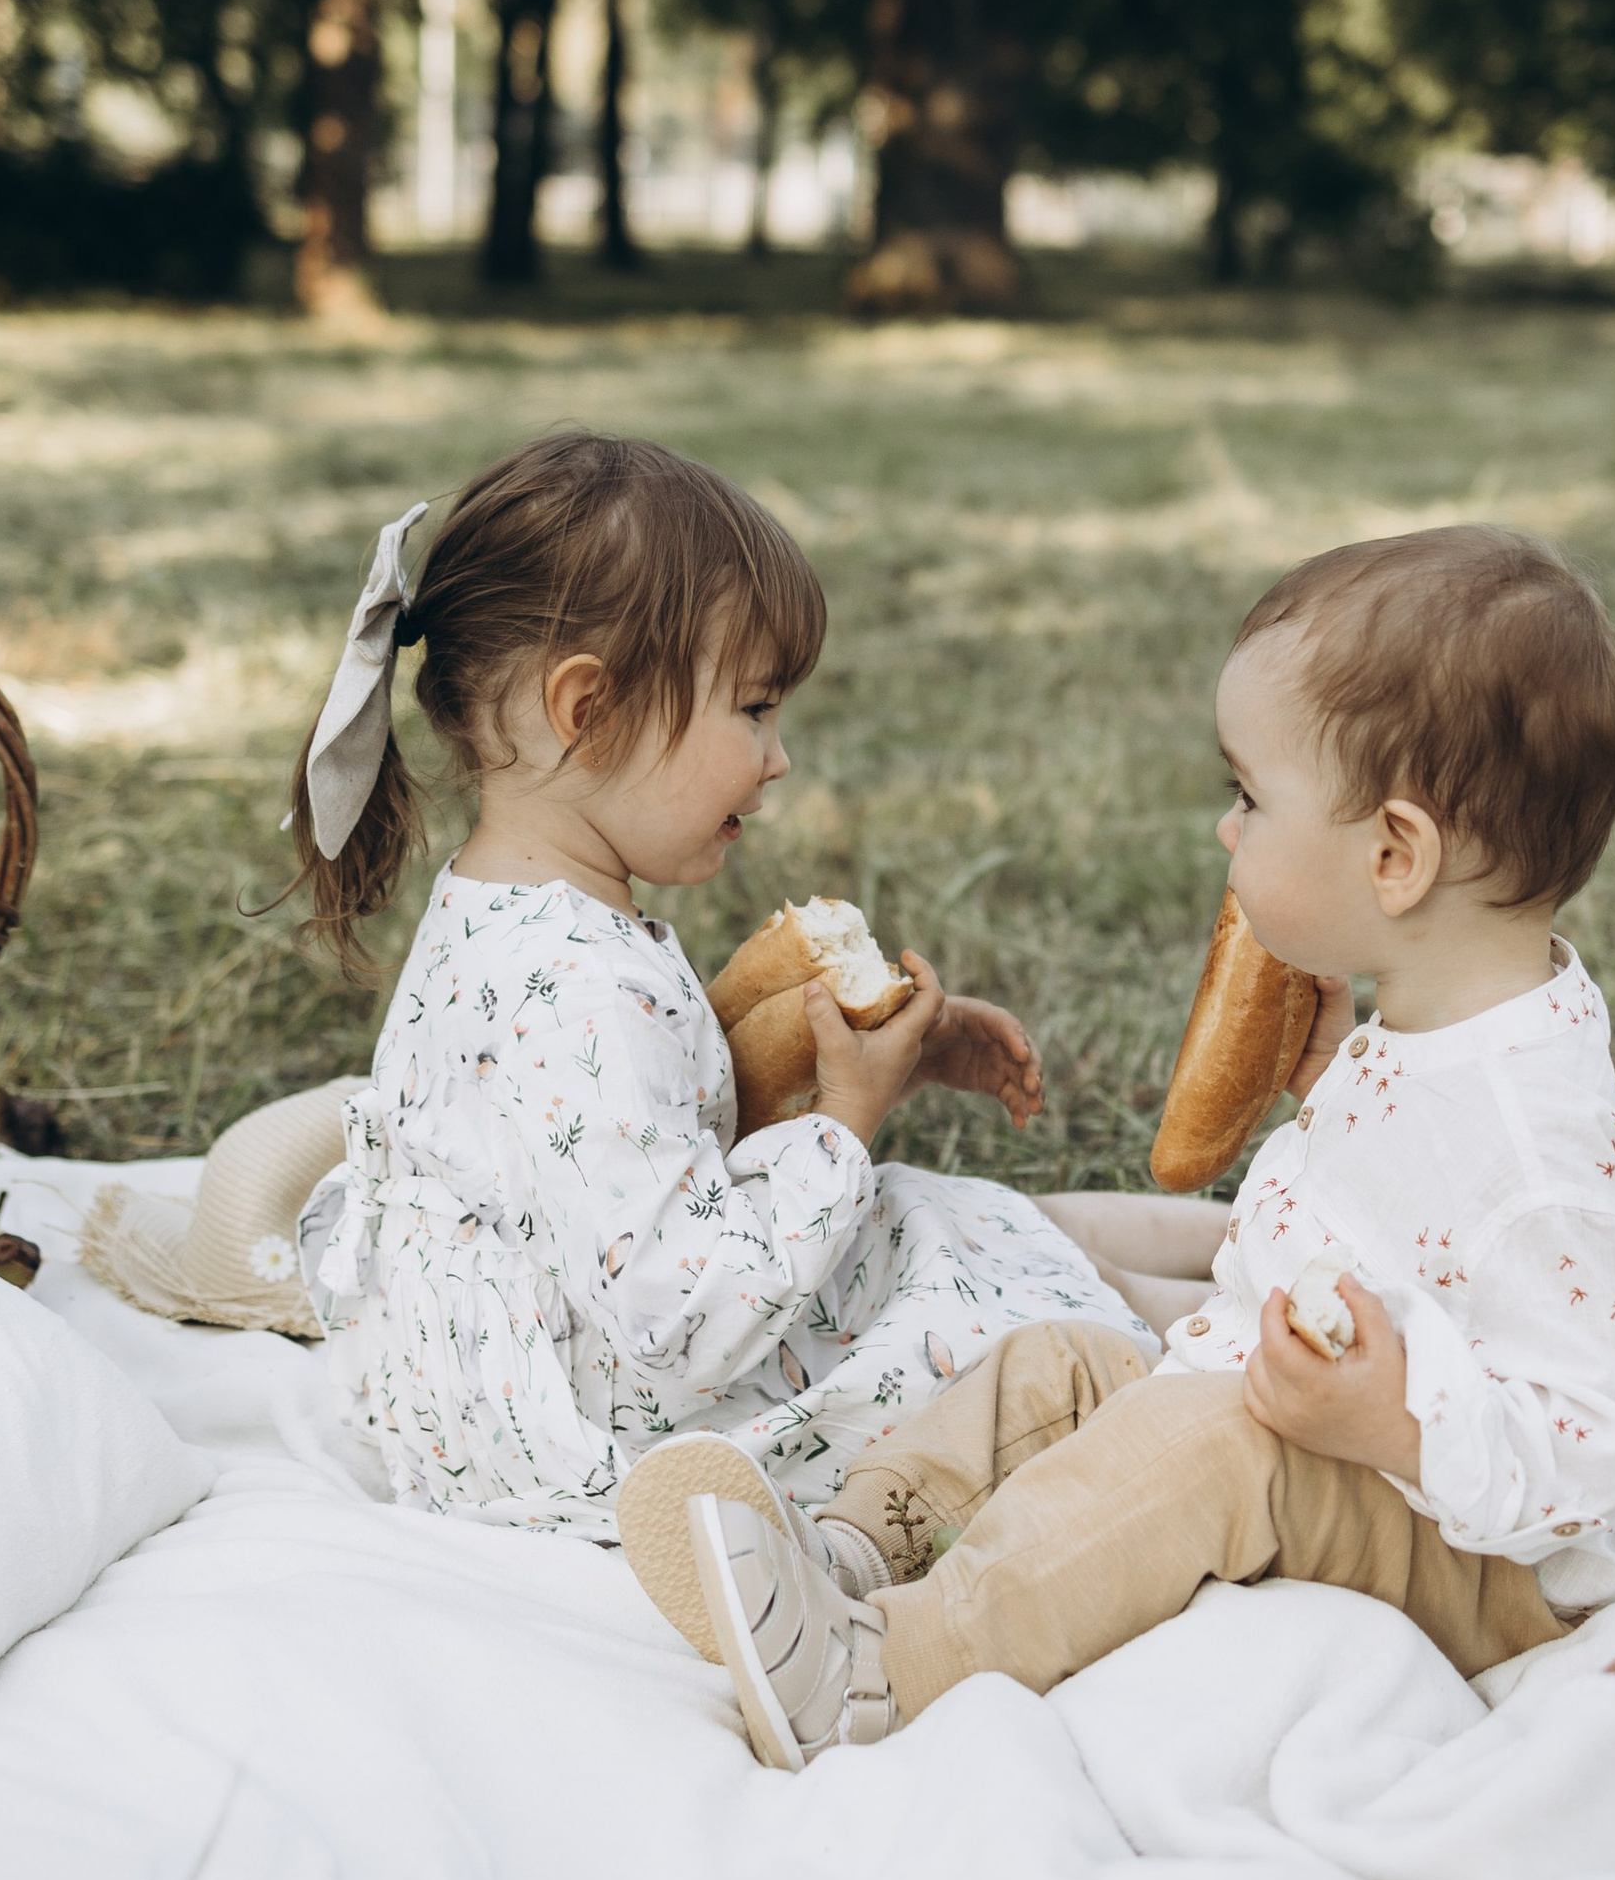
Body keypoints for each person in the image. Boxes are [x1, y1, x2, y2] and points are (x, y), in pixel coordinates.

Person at [619, 525, 1615, 1771]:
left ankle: (885, 1669)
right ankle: (849, 1546)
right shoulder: (1435, 1026)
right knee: (1061, 1364)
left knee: (1201, 1452)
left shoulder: (1532, 1139)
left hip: (1477, 1564)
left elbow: (1613, 1427)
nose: (1226, 834)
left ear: (1394, 857)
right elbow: (1406, 1225)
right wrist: (1328, 1096)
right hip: (1307, 1432)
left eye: (1252, 798)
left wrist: (1398, 1425)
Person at [285, 431, 1154, 1532]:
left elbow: (634, 1159)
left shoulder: (505, 907)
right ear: (586, 711)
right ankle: (1157, 1358)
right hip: (601, 1433)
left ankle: (1179, 1278)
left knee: (923, 1229)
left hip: (495, 1377)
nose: (778, 756)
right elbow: (684, 1323)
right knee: (952, 1305)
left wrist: (894, 1055)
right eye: (753, 708)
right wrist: (846, 1115)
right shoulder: (582, 983)